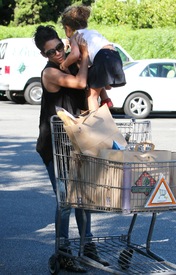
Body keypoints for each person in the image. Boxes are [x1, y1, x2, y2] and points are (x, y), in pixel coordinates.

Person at [33, 25, 109, 273]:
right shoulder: (50, 74)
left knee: (83, 199)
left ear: (63, 44)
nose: (56, 54)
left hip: (76, 143)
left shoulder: (71, 62)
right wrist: (84, 55)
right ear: (44, 56)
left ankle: (88, 248)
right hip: (54, 146)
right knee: (66, 200)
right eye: (50, 52)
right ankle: (63, 252)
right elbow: (80, 83)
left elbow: (93, 85)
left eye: (58, 47)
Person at [60, 5, 126, 111]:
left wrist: (64, 65)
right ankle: (106, 100)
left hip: (103, 58)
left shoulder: (76, 37)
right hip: (114, 56)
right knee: (95, 77)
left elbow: (75, 55)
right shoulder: (93, 32)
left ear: (67, 28)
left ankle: (94, 121)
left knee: (91, 96)